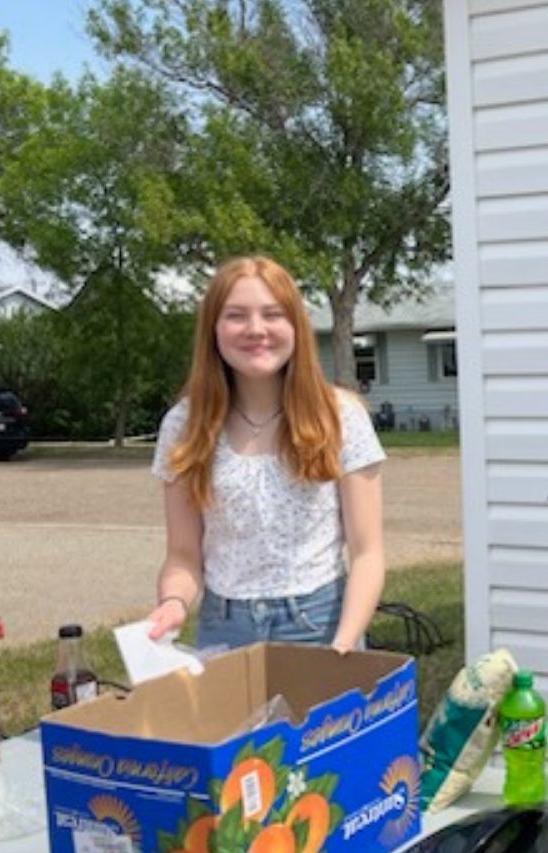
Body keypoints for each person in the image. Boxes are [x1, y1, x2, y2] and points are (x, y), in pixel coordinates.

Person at [147, 254, 385, 653]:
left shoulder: (341, 416)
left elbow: (367, 554)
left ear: (295, 326)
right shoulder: (184, 425)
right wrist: (172, 603)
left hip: (321, 624)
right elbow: (183, 556)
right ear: (213, 330)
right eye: (236, 315)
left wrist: (342, 648)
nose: (256, 329)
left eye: (273, 314)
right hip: (223, 628)